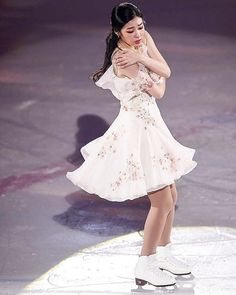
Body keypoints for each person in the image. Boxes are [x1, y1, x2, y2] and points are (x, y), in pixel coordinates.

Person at [66, 2, 197, 288]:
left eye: (140, 27)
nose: (138, 34)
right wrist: (148, 61)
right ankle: (145, 262)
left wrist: (148, 59)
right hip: (137, 131)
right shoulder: (123, 59)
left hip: (152, 125)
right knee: (161, 201)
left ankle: (164, 254)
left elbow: (164, 74)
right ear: (117, 32)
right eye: (130, 30)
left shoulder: (142, 41)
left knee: (171, 196)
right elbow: (161, 83)